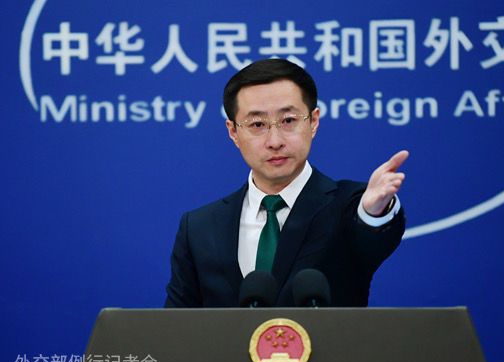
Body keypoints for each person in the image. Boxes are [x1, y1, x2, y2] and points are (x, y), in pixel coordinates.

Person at [164, 58, 408, 307]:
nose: (275, 141)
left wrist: (373, 214)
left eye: (288, 121)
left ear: (313, 121)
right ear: (233, 132)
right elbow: (176, 322)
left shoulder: (348, 206)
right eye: (257, 124)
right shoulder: (199, 227)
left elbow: (372, 241)